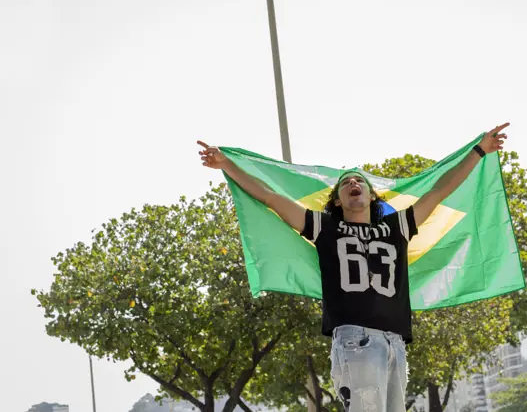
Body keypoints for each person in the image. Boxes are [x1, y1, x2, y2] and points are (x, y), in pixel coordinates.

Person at [197, 123, 509, 412]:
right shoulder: (324, 226)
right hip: (355, 338)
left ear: (373, 196)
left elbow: (440, 191)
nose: (354, 183)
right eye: (346, 183)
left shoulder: (397, 225)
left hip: (396, 342)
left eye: (360, 181)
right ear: (337, 201)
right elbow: (269, 196)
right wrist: (226, 165)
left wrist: (479, 151)